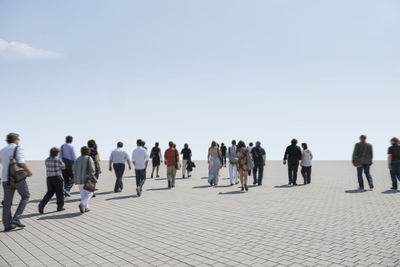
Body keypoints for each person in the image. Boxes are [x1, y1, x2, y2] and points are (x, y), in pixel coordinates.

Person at [0, 133, 32, 231]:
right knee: (26, 196)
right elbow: (21, 162)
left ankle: (7, 225)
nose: (18, 141)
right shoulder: (17, 148)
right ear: (15, 139)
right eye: (18, 139)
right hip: (17, 178)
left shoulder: (2, 150)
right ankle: (16, 219)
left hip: (5, 179)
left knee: (7, 203)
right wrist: (28, 171)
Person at [38, 147, 65, 214]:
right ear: (57, 153)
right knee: (59, 193)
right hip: (57, 178)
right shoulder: (58, 159)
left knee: (49, 193)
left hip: (49, 178)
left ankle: (42, 204)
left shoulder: (47, 159)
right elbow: (63, 167)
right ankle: (59, 207)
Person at [73, 146, 96, 213]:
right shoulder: (89, 158)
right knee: (90, 193)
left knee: (83, 194)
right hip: (86, 179)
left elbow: (73, 169)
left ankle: (86, 208)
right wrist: (92, 177)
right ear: (88, 151)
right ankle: (82, 204)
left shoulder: (77, 159)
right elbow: (92, 170)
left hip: (78, 179)